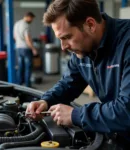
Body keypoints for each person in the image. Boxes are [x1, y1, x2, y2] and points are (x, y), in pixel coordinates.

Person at [26, 0, 130, 148]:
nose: (63, 47)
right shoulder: (83, 48)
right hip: (117, 133)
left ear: (90, 25)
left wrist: (75, 115)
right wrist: (46, 101)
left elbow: (126, 111)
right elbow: (69, 83)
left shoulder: (126, 43)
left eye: (67, 37)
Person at [14, 12, 37, 87]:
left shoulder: (17, 24)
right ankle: (28, 85)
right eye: (32, 19)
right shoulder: (26, 25)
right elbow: (28, 39)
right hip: (26, 49)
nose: (32, 20)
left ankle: (19, 85)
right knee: (28, 67)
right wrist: (33, 49)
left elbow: (14, 37)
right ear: (28, 17)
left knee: (20, 66)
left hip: (18, 48)